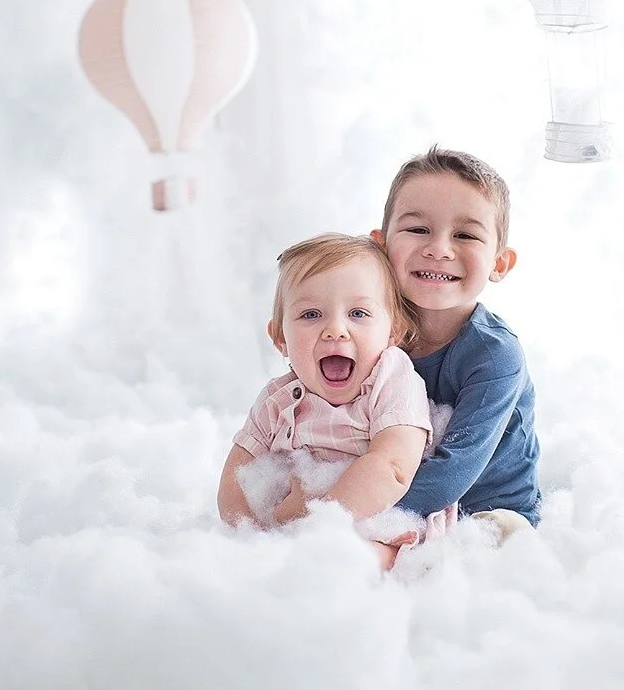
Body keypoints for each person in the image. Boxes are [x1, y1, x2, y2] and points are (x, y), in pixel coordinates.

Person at [216, 232, 453, 571]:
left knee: (357, 561)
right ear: (281, 338)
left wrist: (313, 522)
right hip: (294, 525)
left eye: (358, 313)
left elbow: (393, 468)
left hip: (382, 515)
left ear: (393, 332)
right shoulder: (277, 400)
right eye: (311, 315)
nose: (335, 330)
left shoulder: (391, 379)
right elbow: (236, 474)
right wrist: (249, 534)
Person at [369, 146, 542, 540]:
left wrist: (346, 509)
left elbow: (453, 472)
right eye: (417, 229)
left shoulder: (494, 355)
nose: (439, 249)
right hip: (391, 491)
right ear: (381, 246)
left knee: (498, 535)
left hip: (481, 504)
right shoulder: (368, 332)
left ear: (499, 264)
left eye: (464, 235)